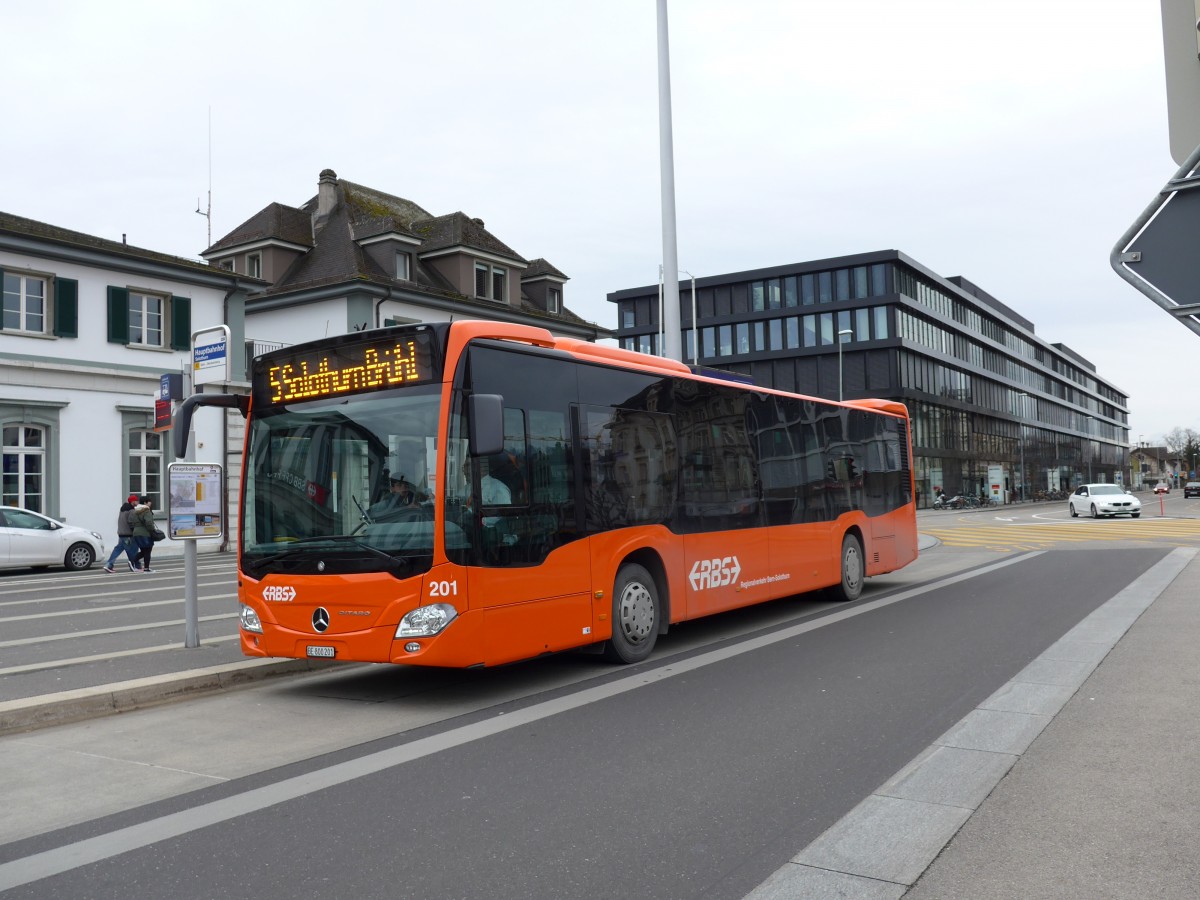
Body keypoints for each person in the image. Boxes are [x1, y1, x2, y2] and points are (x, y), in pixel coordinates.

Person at [103, 493, 143, 573]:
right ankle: (135, 566)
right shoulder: (132, 511)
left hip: (121, 533)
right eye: (137, 501)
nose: (138, 502)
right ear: (133, 502)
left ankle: (108, 565)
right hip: (128, 534)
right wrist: (135, 531)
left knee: (117, 550)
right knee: (133, 550)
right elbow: (132, 522)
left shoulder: (122, 510)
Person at [129, 496, 158, 573]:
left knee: (143, 551)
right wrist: (152, 530)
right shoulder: (146, 511)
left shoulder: (135, 511)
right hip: (145, 533)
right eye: (149, 501)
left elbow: (131, 521)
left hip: (136, 532)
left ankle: (133, 561)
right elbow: (149, 523)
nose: (151, 503)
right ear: (145, 502)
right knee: (148, 551)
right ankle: (146, 568)